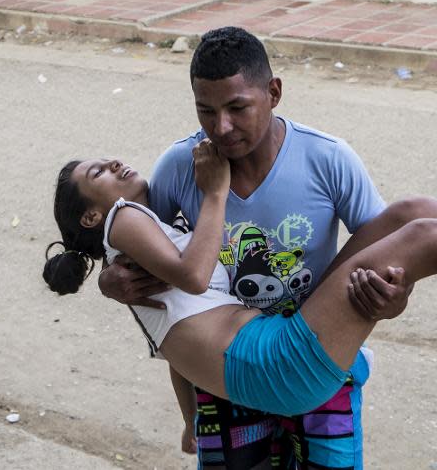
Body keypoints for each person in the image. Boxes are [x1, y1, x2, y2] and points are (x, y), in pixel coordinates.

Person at [96, 26, 433, 469]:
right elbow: (163, 282)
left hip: (311, 347)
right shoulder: (181, 167)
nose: (222, 127)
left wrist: (393, 296)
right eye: (206, 111)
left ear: (273, 92)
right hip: (231, 366)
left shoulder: (327, 158)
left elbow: (385, 257)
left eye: (238, 107)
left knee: (416, 215)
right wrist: (109, 280)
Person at [43, 151, 435, 456]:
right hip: (273, 363)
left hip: (271, 353)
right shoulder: (122, 218)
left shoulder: (148, 250)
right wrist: (215, 191)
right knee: (422, 235)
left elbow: (178, 356)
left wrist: (191, 422)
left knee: (412, 214)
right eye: (98, 174)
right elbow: (195, 278)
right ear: (93, 217)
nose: (113, 163)